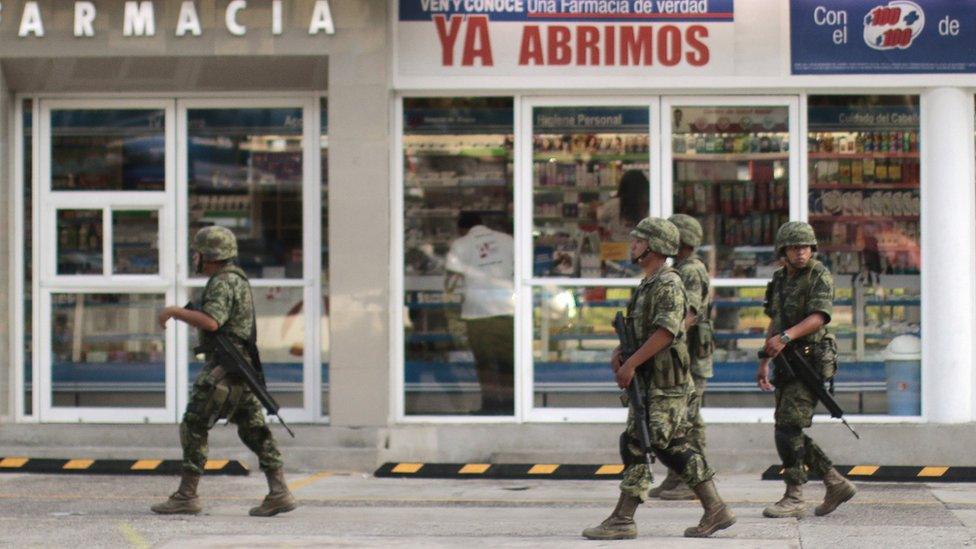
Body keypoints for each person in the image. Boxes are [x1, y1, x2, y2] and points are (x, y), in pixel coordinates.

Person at [582, 217, 735, 540]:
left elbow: (666, 332)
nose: (632, 245)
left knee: (645, 442)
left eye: (638, 241)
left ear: (652, 247)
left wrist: (630, 365)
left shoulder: (667, 282)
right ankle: (713, 507)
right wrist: (619, 353)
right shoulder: (650, 282)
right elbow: (644, 330)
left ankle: (625, 518)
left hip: (665, 382)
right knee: (662, 443)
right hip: (655, 379)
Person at [152, 226, 297, 517]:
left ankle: (187, 495)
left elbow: (212, 322)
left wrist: (173, 311)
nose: (195, 256)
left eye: (199, 252)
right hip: (238, 368)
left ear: (210, 255)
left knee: (194, 424)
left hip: (226, 368)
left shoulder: (221, 282)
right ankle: (279, 491)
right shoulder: (237, 279)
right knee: (254, 428)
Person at [756, 221, 857, 518]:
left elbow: (819, 317)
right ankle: (834, 482)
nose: (801, 253)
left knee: (788, 427)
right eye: (794, 247)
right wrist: (764, 358)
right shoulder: (779, 279)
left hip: (809, 360)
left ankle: (795, 495)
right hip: (785, 362)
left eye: (805, 247)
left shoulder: (818, 275)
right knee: (788, 426)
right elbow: (775, 320)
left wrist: (786, 337)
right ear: (783, 251)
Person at [648, 213, 714, 501]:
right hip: (684, 354)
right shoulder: (682, 268)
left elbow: (689, 314)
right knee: (679, 418)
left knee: (688, 417)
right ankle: (677, 475)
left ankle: (693, 479)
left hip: (690, 357)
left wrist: (670, 339)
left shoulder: (691, 271)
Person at [445, 212, 515, 414]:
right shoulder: (507, 240)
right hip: (506, 308)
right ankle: (512, 406)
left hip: (477, 313)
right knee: (507, 363)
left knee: (484, 364)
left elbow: (451, 280)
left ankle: (490, 405)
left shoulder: (460, 244)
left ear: (461, 229)